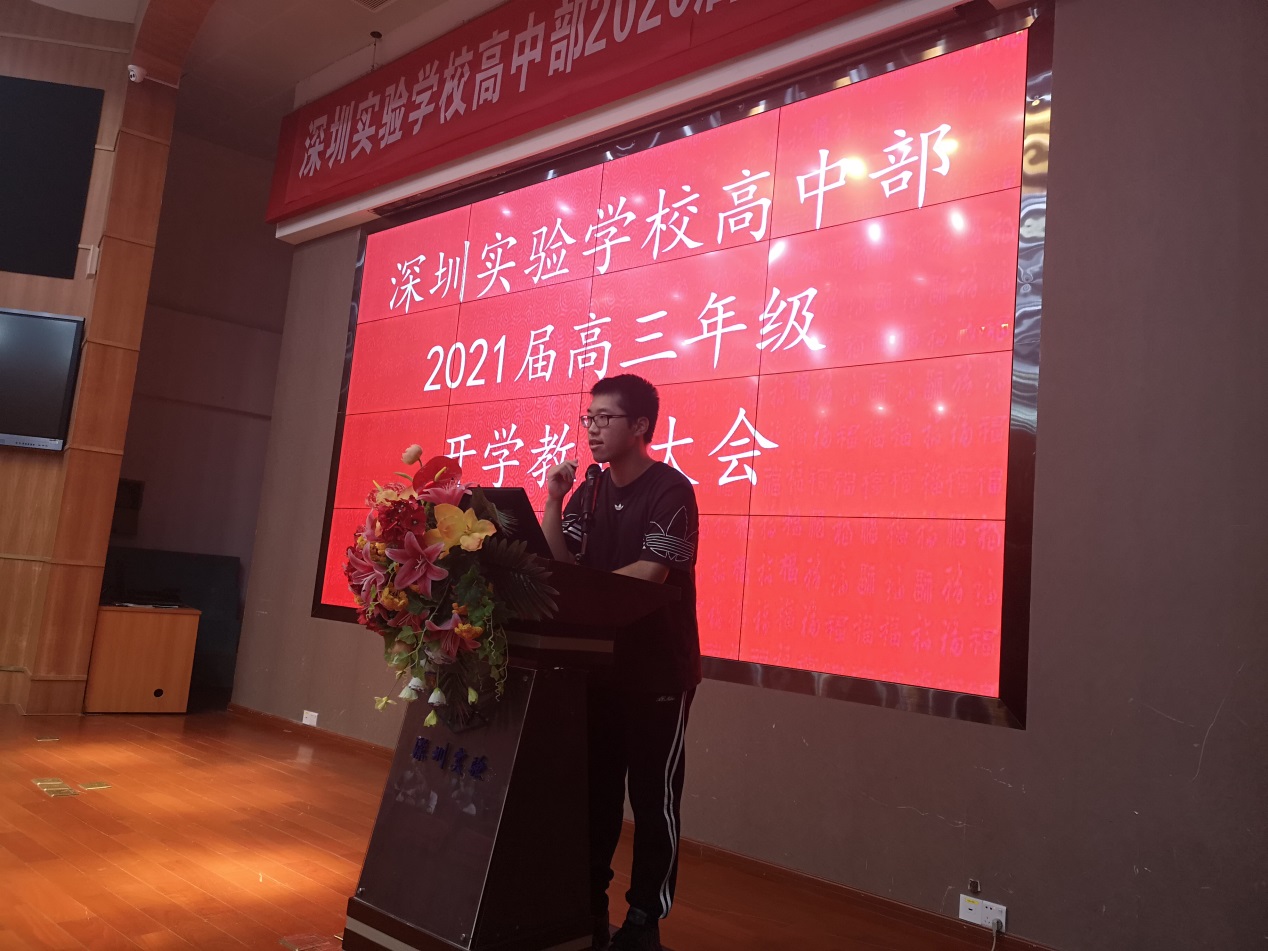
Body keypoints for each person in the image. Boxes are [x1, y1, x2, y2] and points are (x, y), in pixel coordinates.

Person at [542, 374, 701, 951]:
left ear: (640, 426)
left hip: (658, 670)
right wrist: (552, 501)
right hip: (599, 669)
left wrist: (589, 592)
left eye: (604, 418)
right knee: (596, 794)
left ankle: (643, 919)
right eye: (588, 419)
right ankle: (588, 904)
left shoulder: (671, 490)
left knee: (653, 799)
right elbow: (559, 564)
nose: (592, 430)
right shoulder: (588, 490)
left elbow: (651, 574)